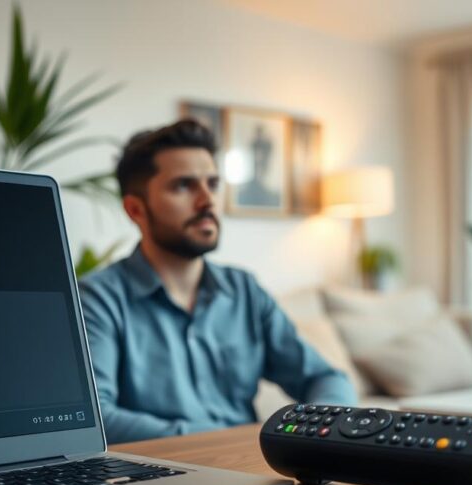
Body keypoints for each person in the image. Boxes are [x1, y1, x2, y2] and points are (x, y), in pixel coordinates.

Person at [78, 119, 356, 443]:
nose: (207, 200)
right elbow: (97, 419)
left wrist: (317, 433)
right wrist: (223, 438)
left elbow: (324, 377)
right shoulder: (97, 299)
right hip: (166, 475)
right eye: (183, 185)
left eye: (212, 183)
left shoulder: (245, 291)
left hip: (252, 466)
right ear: (136, 209)